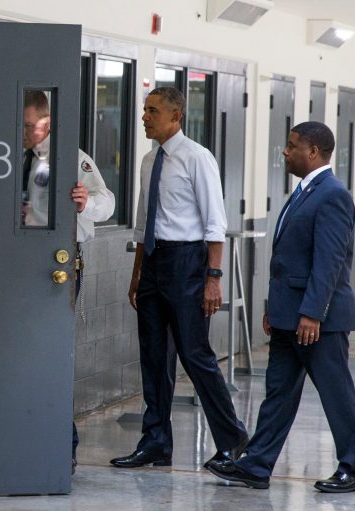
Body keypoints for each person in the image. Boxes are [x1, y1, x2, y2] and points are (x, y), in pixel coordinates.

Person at [206, 121, 355, 492]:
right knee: (278, 395)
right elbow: (288, 259)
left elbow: (329, 262)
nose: (285, 151)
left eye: (292, 145)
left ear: (312, 152)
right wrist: (274, 307)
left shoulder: (333, 195)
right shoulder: (303, 191)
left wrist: (312, 312)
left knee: (336, 393)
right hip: (287, 316)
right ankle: (257, 465)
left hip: (317, 321)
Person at [110, 87, 248, 469]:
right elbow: (142, 222)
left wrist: (213, 278)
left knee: (194, 354)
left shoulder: (196, 158)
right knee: (153, 356)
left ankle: (232, 440)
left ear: (175, 116)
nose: (144, 118)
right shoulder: (148, 160)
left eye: (152, 111)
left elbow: (214, 223)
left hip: (188, 262)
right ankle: (155, 441)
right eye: (144, 110)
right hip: (154, 261)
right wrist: (137, 274)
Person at [22, 90, 115, 474]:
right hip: (17, 262)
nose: (27, 132)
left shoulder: (70, 158)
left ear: (48, 122)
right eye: (23, 125)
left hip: (59, 265)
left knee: (53, 350)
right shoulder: (11, 154)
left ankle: (64, 444)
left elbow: (106, 201)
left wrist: (84, 203)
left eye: (32, 126)